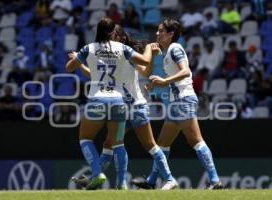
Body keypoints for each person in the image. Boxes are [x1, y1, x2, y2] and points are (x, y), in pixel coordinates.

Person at [70, 25, 178, 190]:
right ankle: (102, 179)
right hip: (121, 107)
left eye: (112, 36)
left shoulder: (124, 52)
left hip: (134, 106)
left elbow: (144, 71)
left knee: (148, 144)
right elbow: (96, 75)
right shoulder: (115, 54)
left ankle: (169, 179)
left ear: (118, 37)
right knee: (111, 143)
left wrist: (151, 56)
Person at [132, 19, 224, 190]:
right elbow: (173, 76)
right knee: (162, 143)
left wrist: (164, 80)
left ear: (170, 34)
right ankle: (152, 181)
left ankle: (215, 180)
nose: (157, 34)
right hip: (177, 102)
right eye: (157, 30)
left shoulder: (175, 48)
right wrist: (156, 83)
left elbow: (186, 71)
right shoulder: (167, 53)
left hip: (184, 100)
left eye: (161, 31)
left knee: (196, 140)